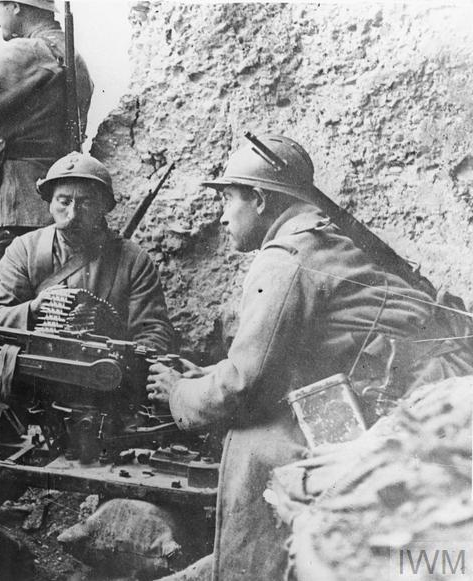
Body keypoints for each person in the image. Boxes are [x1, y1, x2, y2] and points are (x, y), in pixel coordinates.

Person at [146, 134, 450, 581]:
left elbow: (244, 388)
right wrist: (210, 373)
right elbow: (300, 354)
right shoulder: (325, 240)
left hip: (386, 416)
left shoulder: (286, 257)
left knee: (257, 447)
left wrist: (180, 394)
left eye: (228, 199)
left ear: (260, 199)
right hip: (414, 401)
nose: (222, 215)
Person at [0, 0, 94, 305]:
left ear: (17, 7)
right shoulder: (74, 57)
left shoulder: (31, 51)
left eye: (0, 5)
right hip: (51, 207)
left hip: (9, 212)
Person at [0, 151, 174, 352]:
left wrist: (115, 345)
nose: (72, 215)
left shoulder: (134, 260)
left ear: (103, 207)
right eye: (64, 202)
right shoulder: (25, 249)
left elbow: (155, 333)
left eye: (86, 203)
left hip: (101, 374)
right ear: (50, 205)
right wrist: (33, 311)